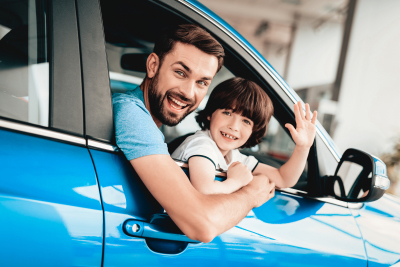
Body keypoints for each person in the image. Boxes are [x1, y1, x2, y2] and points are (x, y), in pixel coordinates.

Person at [113, 24, 276, 243]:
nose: (189, 93)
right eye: (180, 73)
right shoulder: (132, 115)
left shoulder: (148, 123)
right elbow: (202, 225)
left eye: (201, 82)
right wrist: (250, 195)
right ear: (153, 65)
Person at [171, 78, 318, 195]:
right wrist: (235, 182)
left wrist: (303, 147)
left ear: (253, 130)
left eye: (246, 121)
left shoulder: (234, 157)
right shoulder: (201, 145)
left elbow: (283, 179)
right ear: (210, 113)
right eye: (227, 113)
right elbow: (204, 190)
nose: (234, 126)